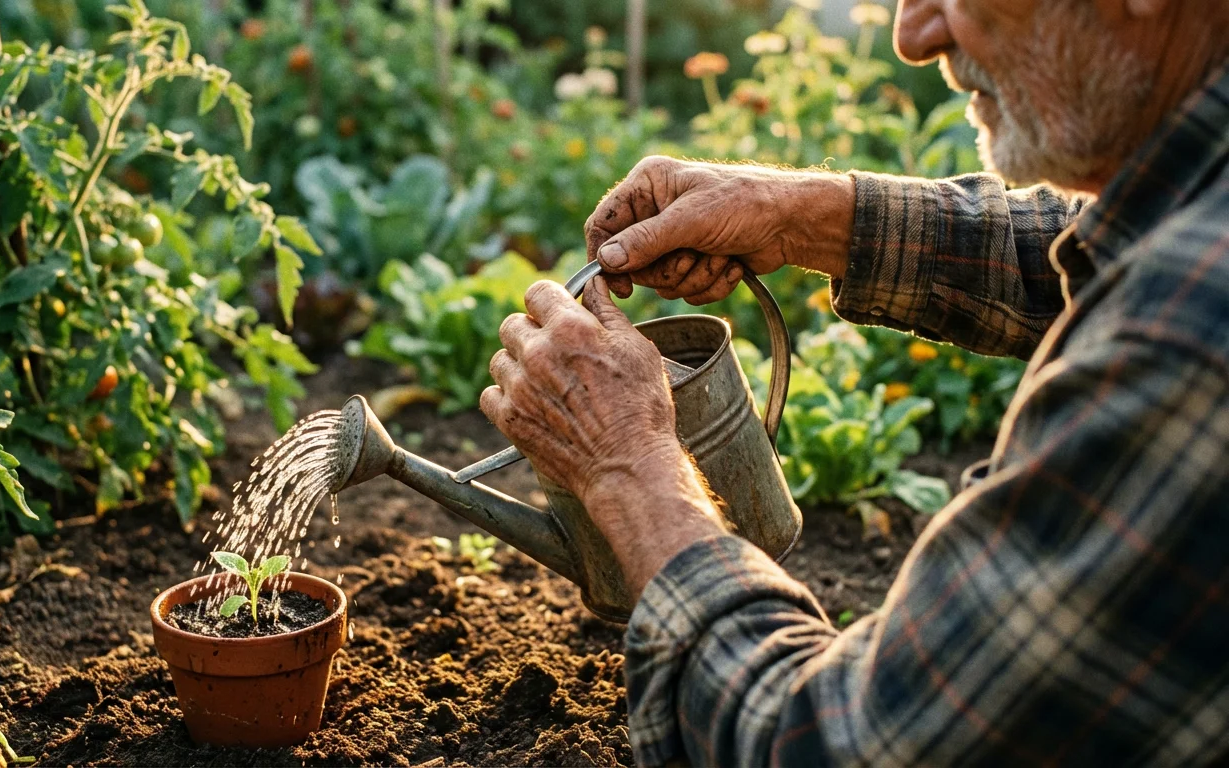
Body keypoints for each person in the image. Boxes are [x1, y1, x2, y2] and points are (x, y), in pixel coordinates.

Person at [478, 0, 1229, 764]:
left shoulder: (1192, 340)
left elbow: (837, 747)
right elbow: (1078, 245)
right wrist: (793, 216)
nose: (911, 35)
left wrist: (628, 469)